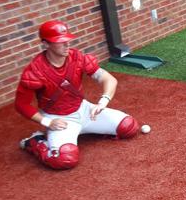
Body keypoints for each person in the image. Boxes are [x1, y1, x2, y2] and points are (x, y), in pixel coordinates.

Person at [16, 20, 140, 170]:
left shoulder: (77, 58)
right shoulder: (35, 70)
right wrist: (47, 122)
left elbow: (109, 79)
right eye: (60, 42)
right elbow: (21, 104)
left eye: (67, 40)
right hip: (59, 118)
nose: (66, 44)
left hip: (84, 110)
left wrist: (103, 102)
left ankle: (90, 129)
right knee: (64, 159)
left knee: (129, 126)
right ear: (46, 44)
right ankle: (36, 141)